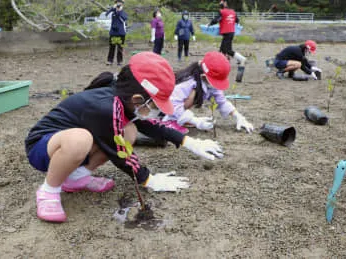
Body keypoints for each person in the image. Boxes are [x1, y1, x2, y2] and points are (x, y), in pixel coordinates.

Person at [25, 52, 223, 223]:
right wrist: (148, 179)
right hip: (43, 148)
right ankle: (49, 191)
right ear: (137, 100)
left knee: (129, 131)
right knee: (82, 139)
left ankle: (76, 178)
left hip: (71, 149)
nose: (157, 112)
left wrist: (189, 141)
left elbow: (151, 125)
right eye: (155, 106)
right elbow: (118, 153)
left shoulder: (123, 101)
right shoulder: (106, 107)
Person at [162, 51, 253, 133]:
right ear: (204, 76)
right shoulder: (188, 83)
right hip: (162, 109)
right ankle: (169, 122)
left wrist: (238, 116)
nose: (216, 85)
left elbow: (221, 101)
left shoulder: (207, 82)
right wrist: (194, 120)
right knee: (193, 94)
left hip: (174, 108)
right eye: (215, 81)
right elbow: (173, 105)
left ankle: (180, 119)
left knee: (194, 94)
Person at [208, 0, 247, 82]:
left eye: (221, 3)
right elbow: (237, 20)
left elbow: (216, 19)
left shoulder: (222, 12)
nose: (220, 5)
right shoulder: (232, 11)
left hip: (227, 33)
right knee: (222, 49)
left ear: (224, 4)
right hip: (231, 32)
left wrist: (209, 24)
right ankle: (222, 66)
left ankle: (241, 59)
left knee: (228, 50)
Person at [106, 0, 128, 66]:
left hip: (121, 33)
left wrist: (119, 11)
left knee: (120, 48)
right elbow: (106, 14)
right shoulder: (112, 12)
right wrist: (112, 8)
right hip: (113, 33)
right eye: (117, 3)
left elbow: (124, 19)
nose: (118, 4)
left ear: (122, 5)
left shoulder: (123, 12)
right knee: (111, 48)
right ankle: (110, 61)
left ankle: (120, 61)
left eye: (120, 3)